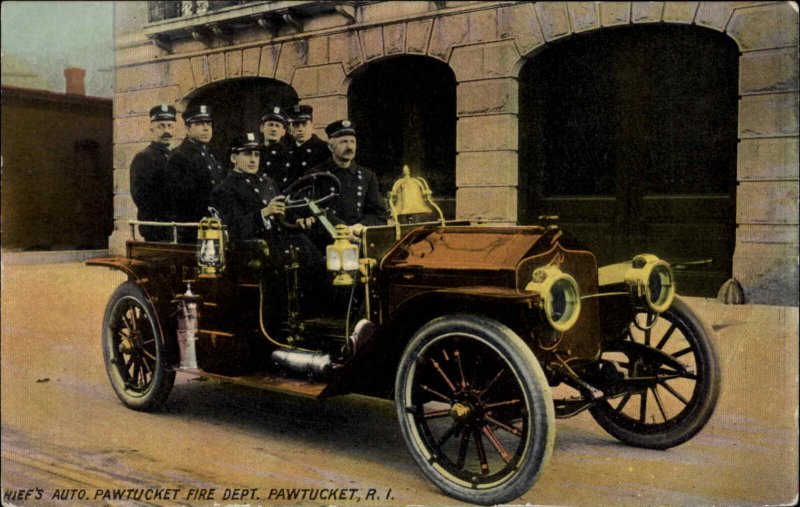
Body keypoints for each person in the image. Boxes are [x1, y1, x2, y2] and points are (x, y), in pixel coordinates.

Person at [305, 119, 389, 241]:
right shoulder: (315, 175)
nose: (349, 147)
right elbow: (312, 210)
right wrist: (341, 228)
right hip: (326, 241)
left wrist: (358, 227)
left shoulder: (367, 176)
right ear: (330, 147)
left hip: (357, 239)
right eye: (343, 142)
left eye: (352, 142)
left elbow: (379, 214)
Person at [165, 104, 227, 242]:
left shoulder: (213, 155)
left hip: (214, 225)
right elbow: (184, 199)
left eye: (208, 124)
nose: (206, 128)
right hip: (193, 229)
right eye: (199, 124)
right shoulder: (179, 156)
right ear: (187, 128)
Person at [129, 104, 176, 241]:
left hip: (175, 226)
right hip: (157, 227)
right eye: (161, 126)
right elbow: (140, 195)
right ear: (152, 129)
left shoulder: (176, 156)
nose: (166, 131)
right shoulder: (144, 157)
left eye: (170, 126)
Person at [283, 104, 329, 187]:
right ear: (289, 129)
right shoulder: (285, 151)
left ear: (312, 125)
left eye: (304, 124)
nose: (300, 129)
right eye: (296, 125)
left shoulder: (325, 149)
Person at [258, 105, 291, 187]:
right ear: (262, 128)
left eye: (277, 126)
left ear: (283, 132)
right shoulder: (255, 152)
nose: (273, 129)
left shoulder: (289, 154)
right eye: (270, 125)